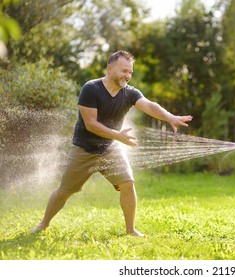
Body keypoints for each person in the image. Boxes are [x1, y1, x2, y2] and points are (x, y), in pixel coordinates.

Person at [31, 50, 193, 236]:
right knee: (64, 191)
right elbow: (91, 125)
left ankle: (131, 230)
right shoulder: (91, 89)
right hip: (85, 149)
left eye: (130, 72)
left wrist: (170, 117)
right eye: (124, 71)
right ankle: (43, 224)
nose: (128, 75)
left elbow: (149, 105)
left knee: (128, 184)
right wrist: (118, 136)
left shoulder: (130, 93)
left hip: (110, 149)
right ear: (110, 68)